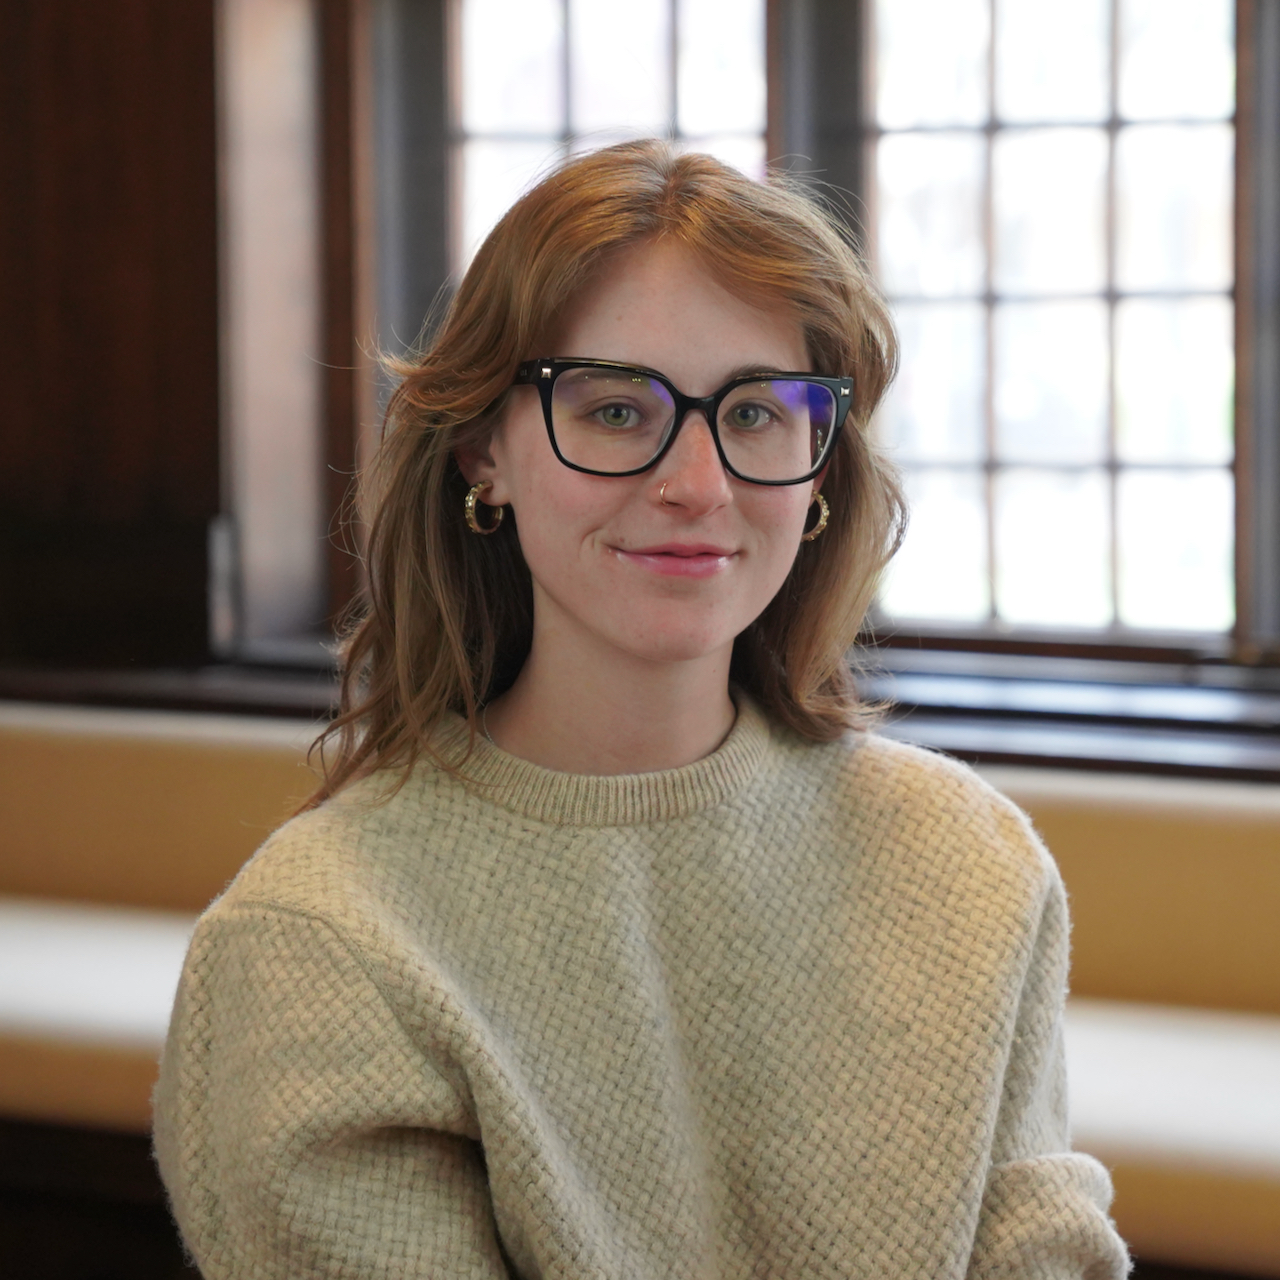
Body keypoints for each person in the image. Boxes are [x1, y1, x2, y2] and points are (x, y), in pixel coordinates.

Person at [153, 140, 1128, 1279]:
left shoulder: (968, 862)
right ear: (481, 452)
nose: (698, 485)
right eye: (617, 409)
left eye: (755, 414)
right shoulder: (321, 940)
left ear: (820, 468)